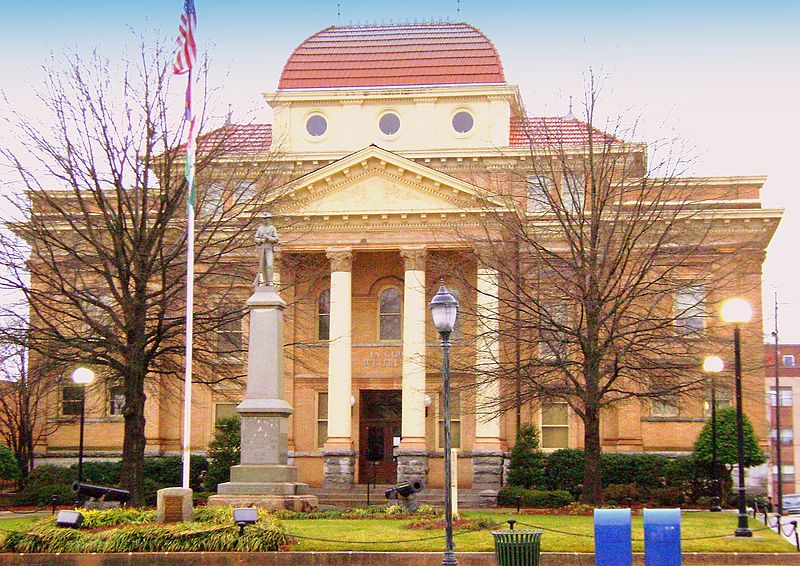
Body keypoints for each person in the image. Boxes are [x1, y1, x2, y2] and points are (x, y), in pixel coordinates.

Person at [254, 212, 279, 286]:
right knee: (262, 265)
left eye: (267, 218)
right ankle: (265, 281)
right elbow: (255, 238)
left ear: (269, 219)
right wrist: (261, 240)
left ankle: (270, 280)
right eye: (264, 219)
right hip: (262, 249)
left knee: (269, 264)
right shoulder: (260, 229)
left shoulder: (272, 228)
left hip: (269, 248)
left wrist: (268, 237)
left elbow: (276, 239)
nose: (265, 220)